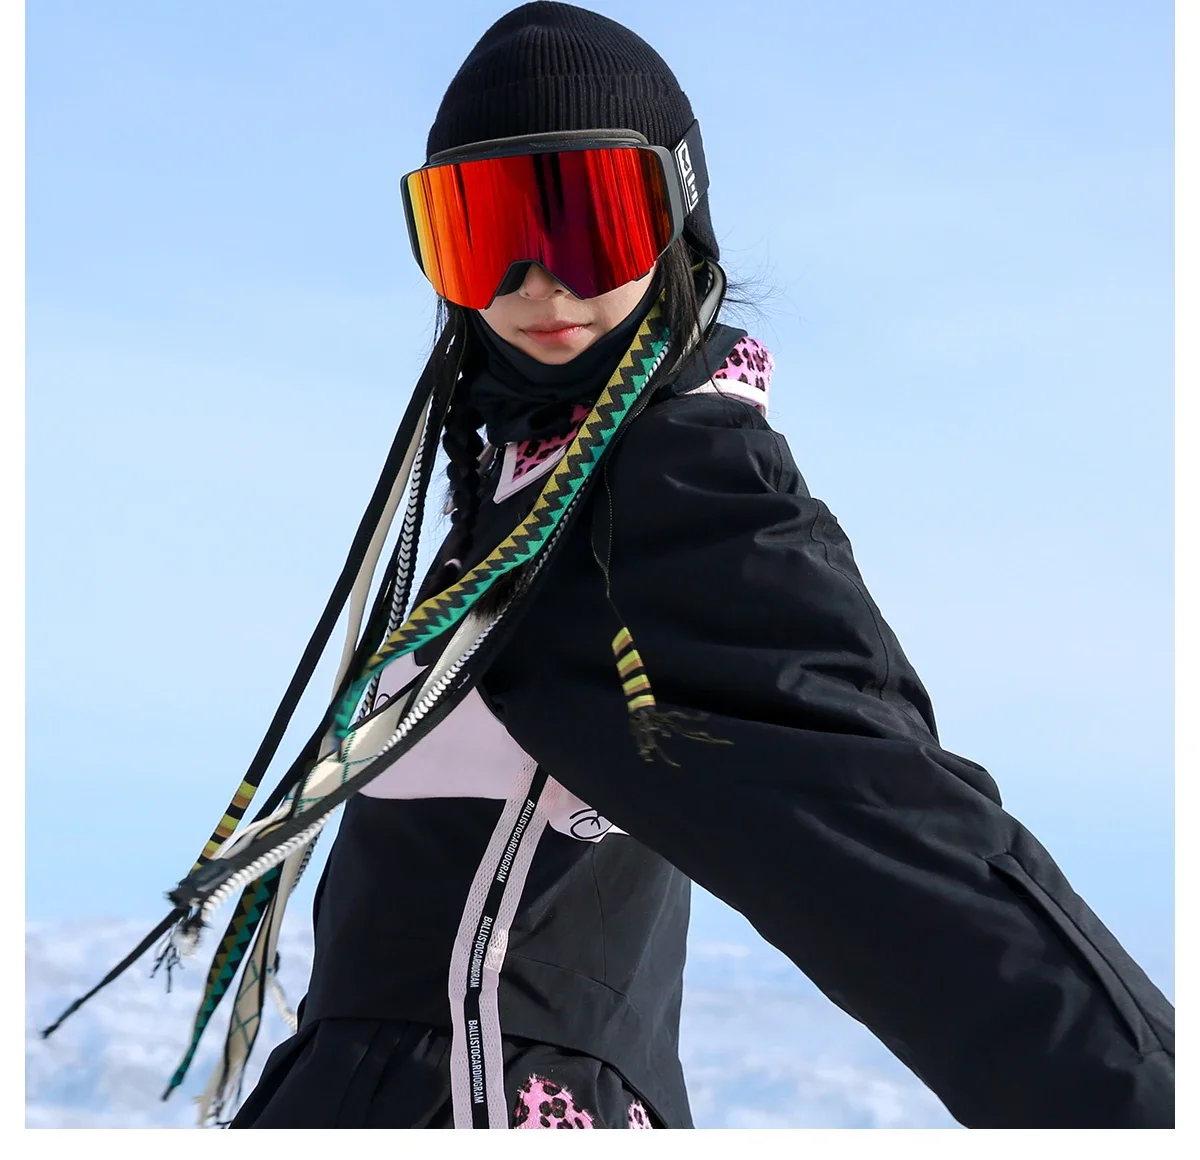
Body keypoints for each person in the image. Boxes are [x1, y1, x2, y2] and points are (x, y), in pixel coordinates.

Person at [51, 1, 1170, 1131]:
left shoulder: (675, 481)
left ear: (678, 213)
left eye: (588, 222)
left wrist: (1146, 1114)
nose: (539, 281)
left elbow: (896, 840)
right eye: (485, 232)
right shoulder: (510, 490)